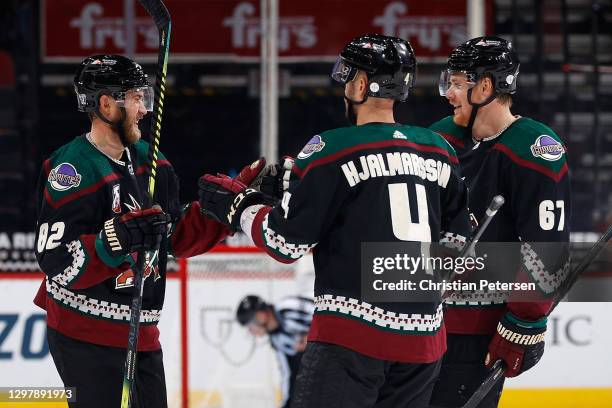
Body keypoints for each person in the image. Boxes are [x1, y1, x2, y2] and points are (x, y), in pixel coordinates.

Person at [198, 34, 472, 408]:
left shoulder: (330, 149)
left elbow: (285, 243)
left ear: (360, 84)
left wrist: (239, 207)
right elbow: (458, 239)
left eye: (349, 79)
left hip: (352, 342)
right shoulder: (439, 150)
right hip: (424, 343)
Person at [33, 54, 265, 408]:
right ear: (107, 103)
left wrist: (226, 211)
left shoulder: (151, 160)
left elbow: (174, 238)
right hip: (84, 334)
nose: (145, 108)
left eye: (145, 97)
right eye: (137, 98)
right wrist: (116, 240)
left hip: (142, 333)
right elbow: (56, 261)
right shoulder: (70, 169)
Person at [429, 36, 571, 407]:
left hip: (474, 333)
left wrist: (525, 320)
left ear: (486, 87)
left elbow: (547, 246)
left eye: (457, 84)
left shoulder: (535, 149)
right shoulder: (439, 138)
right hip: (420, 321)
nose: (448, 93)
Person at [236, 294, 314, 408]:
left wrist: (314, 338)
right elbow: (288, 374)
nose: (251, 331)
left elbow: (330, 314)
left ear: (260, 316)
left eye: (250, 326)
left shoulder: (288, 307)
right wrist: (286, 404)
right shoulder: (277, 340)